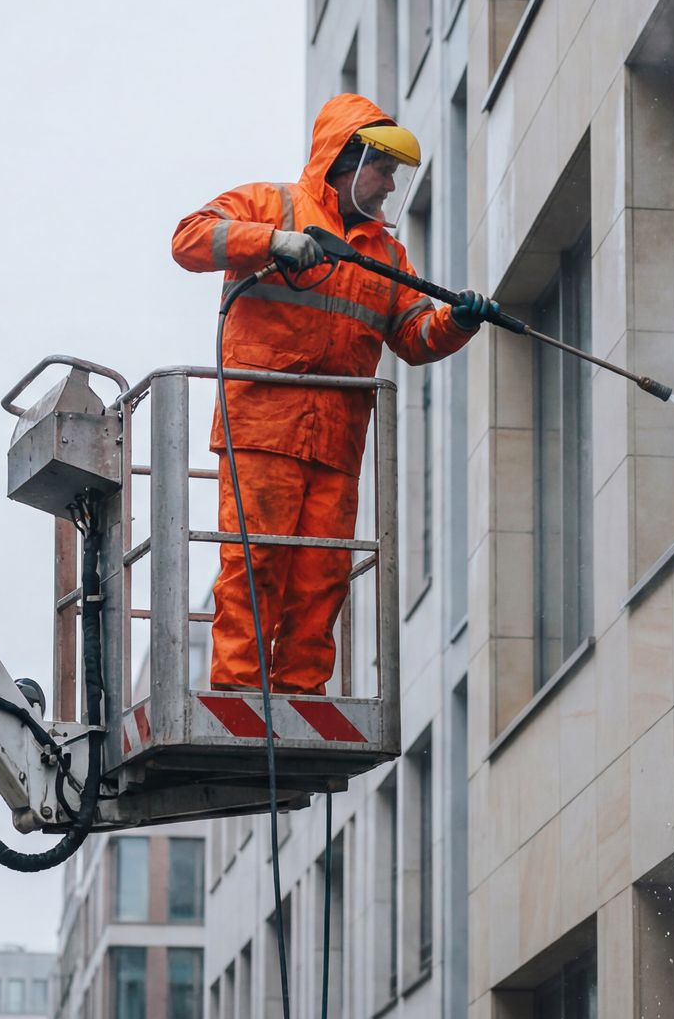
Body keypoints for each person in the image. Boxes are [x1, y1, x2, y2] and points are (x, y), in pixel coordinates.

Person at [171, 94, 497, 696]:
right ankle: (238, 693)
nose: (389, 186)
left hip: (336, 441)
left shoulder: (385, 254)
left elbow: (414, 336)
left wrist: (459, 320)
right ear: (348, 158)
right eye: (384, 170)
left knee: (322, 574)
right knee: (257, 562)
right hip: (262, 429)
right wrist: (269, 242)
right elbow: (189, 239)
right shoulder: (271, 205)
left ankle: (300, 693)